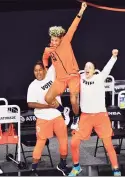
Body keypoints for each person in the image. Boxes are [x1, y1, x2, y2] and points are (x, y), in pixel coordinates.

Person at [69, 49, 121, 176]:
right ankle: (76, 167)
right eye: (85, 67)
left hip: (101, 116)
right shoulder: (79, 78)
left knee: (108, 144)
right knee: (74, 142)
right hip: (85, 117)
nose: (87, 68)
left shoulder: (100, 77)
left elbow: (108, 68)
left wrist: (113, 56)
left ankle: (116, 169)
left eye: (90, 67)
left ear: (94, 70)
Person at [42, 2, 87, 130]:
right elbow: (44, 58)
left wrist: (81, 10)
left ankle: (76, 117)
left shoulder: (66, 40)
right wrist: (45, 67)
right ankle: (63, 111)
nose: (54, 42)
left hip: (73, 76)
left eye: (56, 40)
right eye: (52, 40)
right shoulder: (48, 50)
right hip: (60, 79)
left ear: (61, 38)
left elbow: (74, 25)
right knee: (48, 98)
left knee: (73, 99)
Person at [27, 61, 70, 176]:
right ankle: (33, 170)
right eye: (35, 71)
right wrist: (47, 106)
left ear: (44, 70)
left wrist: (57, 45)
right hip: (43, 118)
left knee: (63, 140)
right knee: (40, 142)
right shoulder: (32, 86)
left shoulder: (51, 74)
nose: (38, 73)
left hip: (57, 115)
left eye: (40, 70)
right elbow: (30, 104)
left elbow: (56, 59)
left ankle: (62, 165)